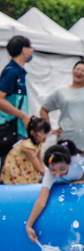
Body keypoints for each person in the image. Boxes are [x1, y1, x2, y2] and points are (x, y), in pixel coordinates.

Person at [24, 139, 84, 243]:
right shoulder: (49, 174)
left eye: (62, 169)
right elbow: (41, 200)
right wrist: (29, 225)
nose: (57, 174)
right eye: (53, 169)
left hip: (81, 183)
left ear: (69, 162)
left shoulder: (76, 160)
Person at [0, 36, 33, 165]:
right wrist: (23, 116)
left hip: (18, 129)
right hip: (9, 129)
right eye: (30, 48)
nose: (31, 52)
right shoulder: (11, 72)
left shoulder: (19, 72)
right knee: (9, 170)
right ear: (24, 50)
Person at [1, 117, 50, 184]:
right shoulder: (28, 147)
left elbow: (40, 164)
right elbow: (39, 169)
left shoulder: (38, 143)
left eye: (47, 134)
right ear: (32, 133)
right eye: (42, 134)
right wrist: (53, 177)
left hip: (25, 168)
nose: (45, 137)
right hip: (17, 171)